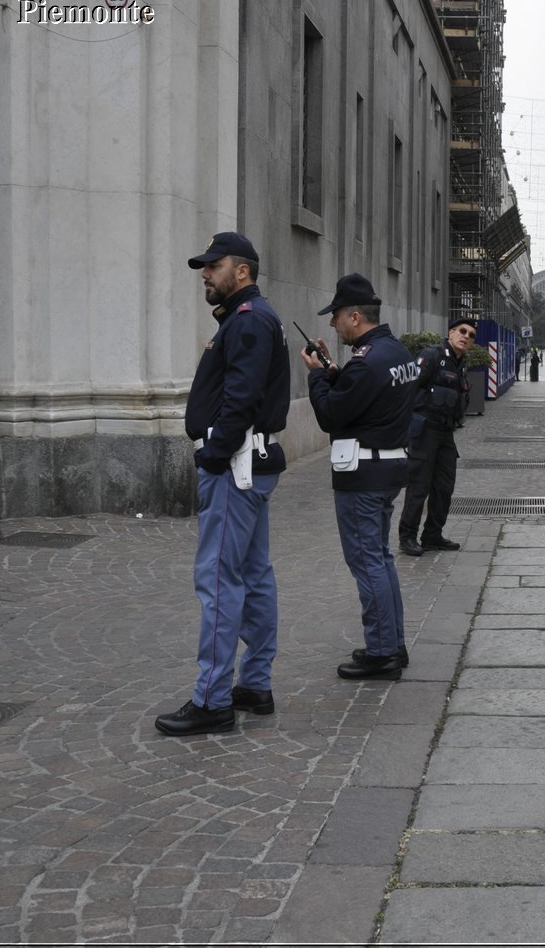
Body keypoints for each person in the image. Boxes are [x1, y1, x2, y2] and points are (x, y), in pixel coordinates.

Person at [155, 232, 290, 737]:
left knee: (217, 578)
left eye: (213, 266)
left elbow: (241, 395)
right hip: (249, 461)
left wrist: (213, 453)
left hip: (235, 464)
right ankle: (254, 684)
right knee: (253, 574)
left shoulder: (249, 321)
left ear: (242, 271)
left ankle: (212, 699)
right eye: (204, 267)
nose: (205, 275)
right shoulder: (250, 318)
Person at [302, 273, 420, 681]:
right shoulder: (396, 352)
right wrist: (338, 376)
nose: (332, 325)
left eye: (335, 316)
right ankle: (393, 643)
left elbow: (331, 415)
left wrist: (317, 376)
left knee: (367, 562)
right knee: (381, 560)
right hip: (388, 467)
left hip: (363, 474)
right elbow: (370, 400)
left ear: (354, 316)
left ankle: (382, 652)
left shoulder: (366, 362)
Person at [398, 318, 473, 557]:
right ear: (451, 332)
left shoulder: (461, 362)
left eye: (471, 335)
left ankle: (432, 536)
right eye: (462, 331)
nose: (466, 337)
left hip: (446, 433)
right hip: (425, 432)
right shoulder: (431, 356)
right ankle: (407, 536)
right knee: (419, 487)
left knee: (444, 487)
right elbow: (407, 389)